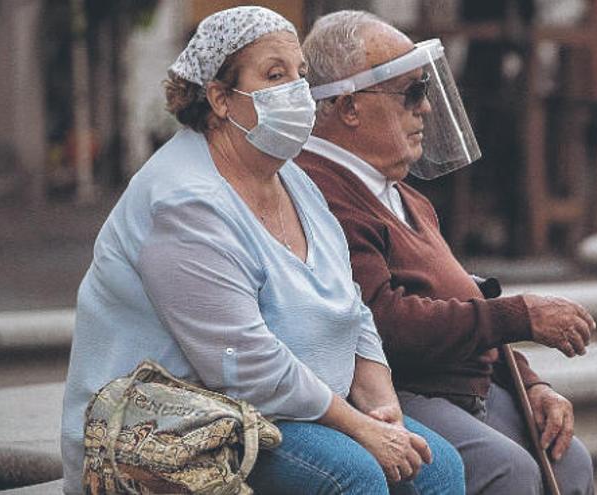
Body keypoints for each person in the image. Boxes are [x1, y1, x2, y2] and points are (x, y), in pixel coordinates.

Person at [60, 7, 464, 495]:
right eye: (275, 75)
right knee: (352, 474)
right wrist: (360, 428)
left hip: (290, 414)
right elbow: (243, 364)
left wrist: (384, 410)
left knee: (439, 467)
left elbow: (351, 305)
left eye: (300, 74)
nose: (297, 89)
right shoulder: (183, 201)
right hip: (177, 434)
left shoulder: (293, 178)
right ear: (221, 98)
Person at [297, 11, 596, 495]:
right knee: (508, 472)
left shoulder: (401, 192)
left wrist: (533, 383)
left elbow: (461, 294)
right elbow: (384, 323)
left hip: (462, 385)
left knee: (569, 461)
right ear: (349, 107)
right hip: (397, 390)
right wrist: (519, 315)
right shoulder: (325, 191)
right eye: (411, 93)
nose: (427, 109)